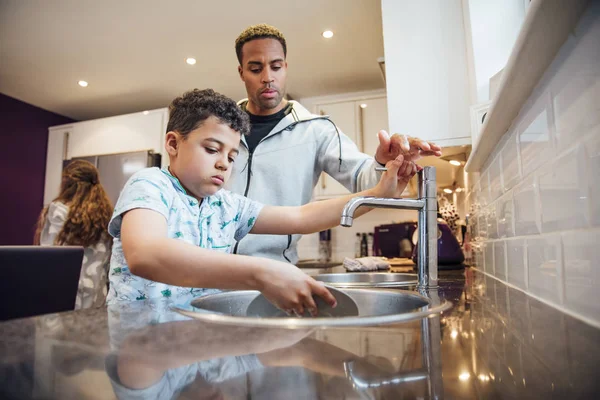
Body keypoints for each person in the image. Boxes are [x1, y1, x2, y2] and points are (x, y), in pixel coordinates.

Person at [106, 88, 417, 315]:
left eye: (231, 156)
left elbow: (301, 217)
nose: (223, 164)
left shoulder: (226, 204)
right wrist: (261, 272)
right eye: (212, 149)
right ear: (173, 144)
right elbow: (145, 254)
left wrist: (375, 195)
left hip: (197, 340)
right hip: (139, 341)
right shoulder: (150, 184)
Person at [230, 23, 442, 264]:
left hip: (275, 272)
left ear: (286, 68)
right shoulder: (222, 127)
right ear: (241, 72)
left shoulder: (316, 130)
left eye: (276, 66)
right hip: (211, 270)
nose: (268, 77)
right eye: (256, 69)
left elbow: (366, 180)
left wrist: (385, 161)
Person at [34, 160, 113, 309]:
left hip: (62, 295)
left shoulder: (58, 210)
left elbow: (46, 255)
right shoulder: (107, 216)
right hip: (97, 297)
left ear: (67, 182)